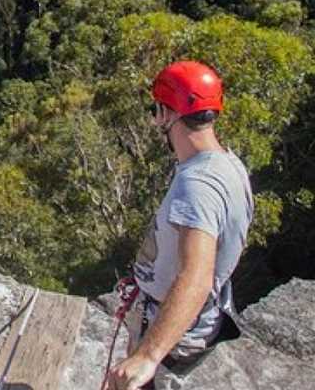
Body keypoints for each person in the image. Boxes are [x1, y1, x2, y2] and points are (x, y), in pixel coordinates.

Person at [104, 61, 253, 390]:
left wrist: (147, 355)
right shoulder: (229, 164)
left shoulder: (197, 185)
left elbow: (196, 277)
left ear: (166, 113)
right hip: (194, 317)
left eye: (155, 110)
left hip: (174, 329)